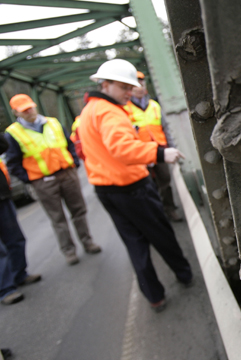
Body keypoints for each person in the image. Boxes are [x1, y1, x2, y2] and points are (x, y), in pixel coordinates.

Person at [78, 59, 193, 312]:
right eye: (123, 87)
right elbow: (121, 149)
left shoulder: (89, 110)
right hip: (132, 188)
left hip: (106, 189)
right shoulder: (110, 112)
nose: (129, 93)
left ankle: (154, 296)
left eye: (131, 88)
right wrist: (161, 153)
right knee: (161, 234)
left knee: (135, 244)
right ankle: (185, 275)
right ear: (105, 84)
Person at [4, 94, 101, 266]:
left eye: (30, 108)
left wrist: (73, 162)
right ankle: (69, 251)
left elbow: (69, 143)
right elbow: (13, 163)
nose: (29, 112)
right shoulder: (13, 134)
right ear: (16, 113)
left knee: (79, 210)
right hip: (43, 181)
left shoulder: (53, 123)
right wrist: (32, 179)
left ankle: (88, 241)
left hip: (67, 174)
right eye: (24, 110)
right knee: (58, 218)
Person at [124, 72, 182, 221]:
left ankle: (170, 209)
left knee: (165, 180)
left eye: (142, 84)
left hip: (160, 149)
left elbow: (165, 128)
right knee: (148, 185)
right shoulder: (125, 109)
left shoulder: (154, 106)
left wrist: (172, 147)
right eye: (136, 85)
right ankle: (157, 212)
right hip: (141, 152)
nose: (140, 87)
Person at [0, 135, 41, 299]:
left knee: (15, 239)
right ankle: (5, 288)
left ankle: (19, 274)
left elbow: (4, 145)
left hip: (2, 196)